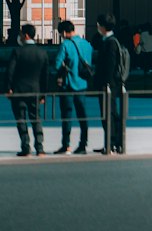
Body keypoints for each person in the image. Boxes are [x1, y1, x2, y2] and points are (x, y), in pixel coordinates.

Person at [6, 23, 48, 157]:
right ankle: (40, 147)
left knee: (21, 119)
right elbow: (45, 76)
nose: (19, 37)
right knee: (36, 118)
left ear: (26, 35)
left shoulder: (17, 52)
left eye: (20, 34)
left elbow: (10, 72)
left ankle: (26, 147)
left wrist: (9, 88)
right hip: (35, 90)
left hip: (19, 91)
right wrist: (43, 94)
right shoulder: (42, 53)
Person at [54, 19, 92, 155]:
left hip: (68, 85)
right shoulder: (87, 44)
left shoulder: (65, 45)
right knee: (83, 115)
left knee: (67, 115)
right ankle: (83, 144)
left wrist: (64, 66)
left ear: (64, 32)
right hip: (82, 85)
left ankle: (66, 145)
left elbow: (57, 65)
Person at [93, 13, 128, 154]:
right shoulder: (110, 41)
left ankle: (112, 142)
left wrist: (105, 83)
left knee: (109, 114)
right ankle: (112, 142)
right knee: (111, 113)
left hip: (108, 85)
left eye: (98, 24)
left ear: (102, 26)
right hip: (110, 84)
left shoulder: (110, 42)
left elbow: (109, 65)